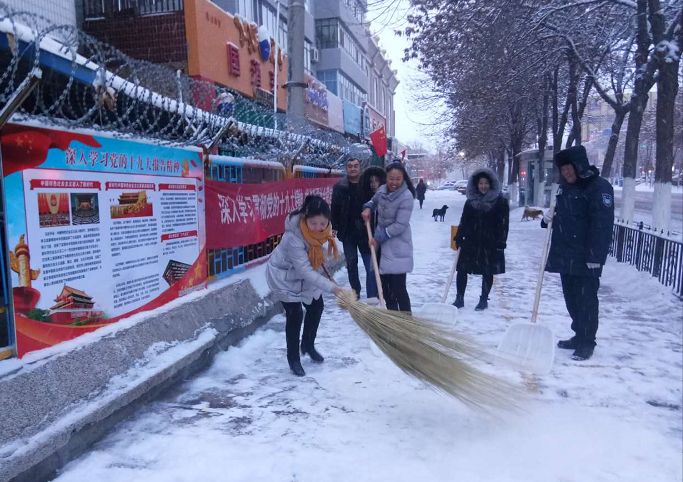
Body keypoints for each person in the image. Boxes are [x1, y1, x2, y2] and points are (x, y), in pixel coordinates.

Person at [542, 145, 614, 361]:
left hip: (586, 257)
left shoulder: (599, 187)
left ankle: (587, 341)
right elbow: (563, 217)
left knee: (587, 301)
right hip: (566, 254)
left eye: (569, 169)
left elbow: (602, 225)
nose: (566, 173)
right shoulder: (565, 188)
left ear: (579, 166)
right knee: (572, 299)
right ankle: (578, 334)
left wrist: (595, 257)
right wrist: (548, 220)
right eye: (563, 170)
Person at [266, 195, 344, 377]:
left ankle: (308, 345)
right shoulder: (293, 238)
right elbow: (305, 271)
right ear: (304, 219)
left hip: (303, 274)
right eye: (313, 223)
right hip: (283, 276)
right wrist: (333, 288)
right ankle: (293, 359)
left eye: (322, 223)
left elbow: (320, 257)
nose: (318, 228)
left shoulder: (325, 232)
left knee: (317, 306)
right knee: (295, 313)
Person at [452, 168, 509, 311]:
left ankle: (484, 299)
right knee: (462, 269)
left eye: (486, 183)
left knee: (487, 270)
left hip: (490, 241)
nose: (483, 186)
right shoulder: (470, 202)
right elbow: (464, 220)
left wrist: (501, 241)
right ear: (476, 185)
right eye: (480, 183)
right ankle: (459, 298)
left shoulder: (500, 201)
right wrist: (459, 235)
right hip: (471, 240)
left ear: (491, 184)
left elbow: (503, 223)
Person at [362, 162, 416, 312]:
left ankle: (407, 321)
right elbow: (373, 201)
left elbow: (400, 224)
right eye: (391, 178)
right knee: (384, 289)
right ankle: (394, 319)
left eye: (398, 179)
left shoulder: (406, 196)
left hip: (397, 247)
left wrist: (379, 237)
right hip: (381, 248)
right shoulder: (382, 190)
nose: (394, 182)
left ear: (403, 178)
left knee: (398, 288)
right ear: (387, 177)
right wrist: (367, 208)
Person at [331, 157, 378, 300]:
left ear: (360, 167)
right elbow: (334, 209)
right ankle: (355, 293)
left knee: (370, 265)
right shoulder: (340, 187)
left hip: (366, 232)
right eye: (350, 166)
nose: (353, 168)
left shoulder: (368, 186)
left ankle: (372, 297)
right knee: (351, 265)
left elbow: (376, 204)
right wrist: (335, 227)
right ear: (346, 169)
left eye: (355, 166)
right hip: (348, 233)